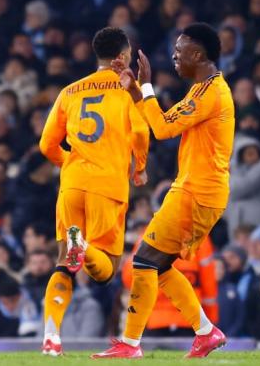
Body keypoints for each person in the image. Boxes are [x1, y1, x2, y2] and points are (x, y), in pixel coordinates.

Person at [97, 22, 234, 359]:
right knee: (157, 265)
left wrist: (146, 86)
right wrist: (136, 91)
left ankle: (130, 344)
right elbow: (163, 119)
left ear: (198, 54)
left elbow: (161, 128)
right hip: (197, 188)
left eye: (180, 50)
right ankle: (205, 331)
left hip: (196, 190)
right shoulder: (204, 90)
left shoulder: (210, 93)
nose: (174, 55)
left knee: (144, 260)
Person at [38, 26, 150, 356]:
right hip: (108, 185)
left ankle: (51, 336)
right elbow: (142, 134)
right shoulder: (127, 90)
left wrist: (71, 162)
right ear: (122, 58)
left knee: (63, 264)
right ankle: (83, 246)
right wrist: (140, 166)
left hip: (72, 184)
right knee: (106, 271)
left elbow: (46, 144)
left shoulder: (70, 91)